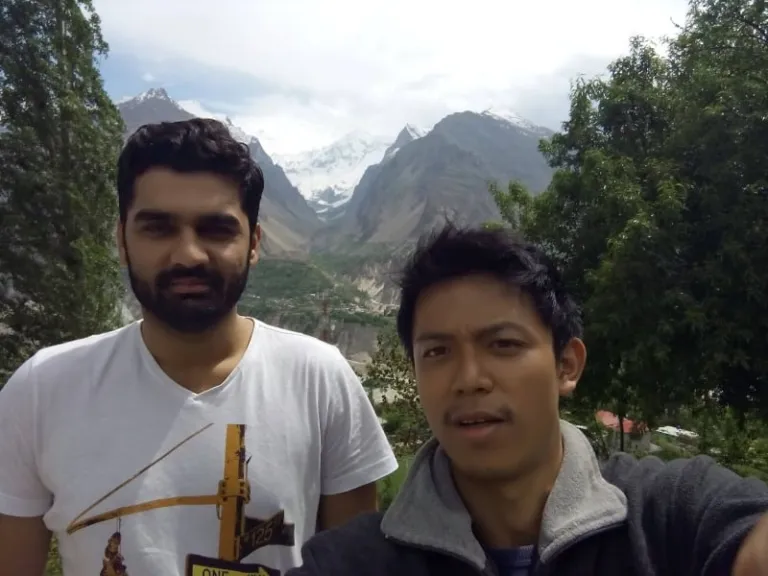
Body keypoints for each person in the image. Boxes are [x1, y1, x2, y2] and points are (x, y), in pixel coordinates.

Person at [0, 118, 398, 576]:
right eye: (158, 228)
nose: (188, 254)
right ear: (122, 240)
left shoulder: (320, 380)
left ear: (254, 243)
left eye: (216, 229)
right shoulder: (42, 390)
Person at [285, 223, 768, 576]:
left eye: (504, 345)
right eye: (437, 352)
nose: (469, 379)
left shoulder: (671, 517)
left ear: (567, 365)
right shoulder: (352, 562)